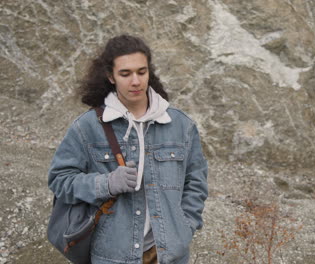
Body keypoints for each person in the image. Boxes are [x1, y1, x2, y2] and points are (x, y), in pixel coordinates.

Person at [48, 34, 208, 264]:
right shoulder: (86, 127)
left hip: (169, 255)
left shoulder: (181, 125)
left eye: (141, 72)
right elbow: (59, 180)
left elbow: (196, 182)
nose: (136, 81)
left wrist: (186, 227)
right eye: (125, 74)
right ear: (110, 76)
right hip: (112, 255)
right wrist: (106, 183)